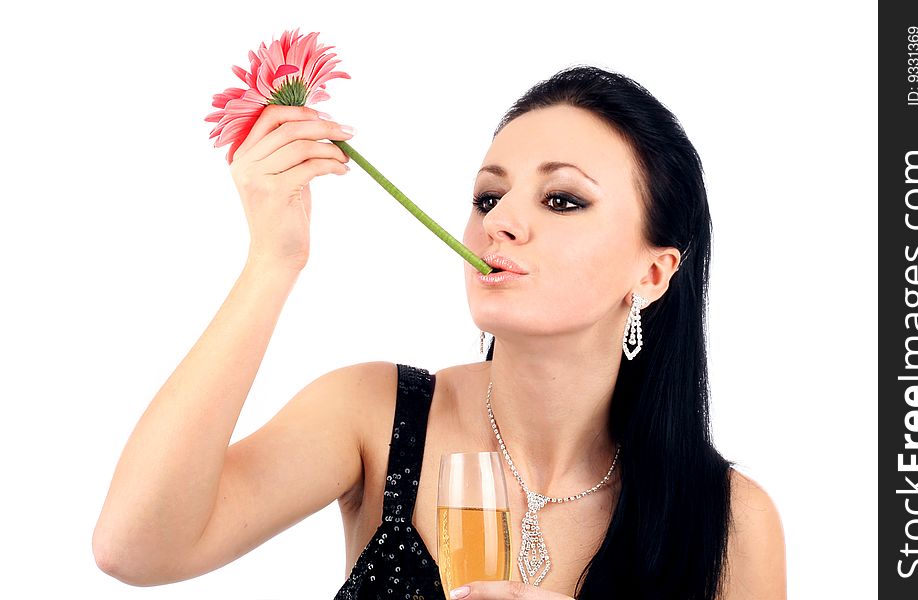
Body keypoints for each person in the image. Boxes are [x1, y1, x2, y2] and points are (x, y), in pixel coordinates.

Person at [93, 65, 786, 599]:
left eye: (563, 199)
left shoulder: (733, 520)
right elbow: (135, 546)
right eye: (489, 196)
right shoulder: (374, 414)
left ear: (655, 273)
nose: (501, 221)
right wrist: (274, 261)